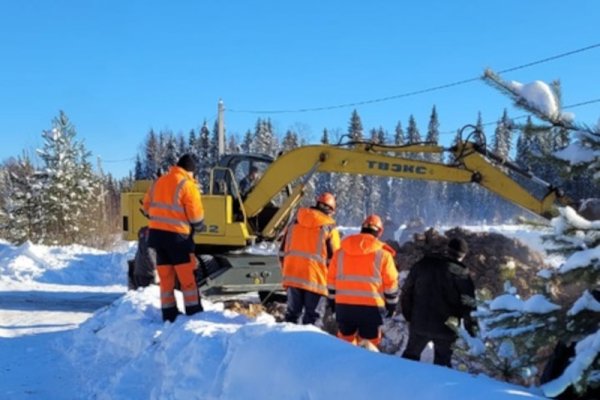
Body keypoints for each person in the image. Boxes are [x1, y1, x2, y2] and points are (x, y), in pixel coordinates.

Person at [143, 154, 205, 323]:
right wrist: (199, 227)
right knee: (187, 278)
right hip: (178, 239)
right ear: (190, 171)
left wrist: (160, 219)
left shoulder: (159, 182)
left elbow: (146, 207)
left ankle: (169, 314)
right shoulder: (187, 185)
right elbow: (196, 217)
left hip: (157, 237)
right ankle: (194, 313)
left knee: (166, 277)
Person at [401, 237, 476, 367]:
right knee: (442, 366)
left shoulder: (423, 264)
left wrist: (409, 316)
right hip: (446, 327)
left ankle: (400, 384)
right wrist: (472, 331)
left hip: (419, 323)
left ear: (447, 250)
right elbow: (468, 305)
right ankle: (435, 386)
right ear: (462, 256)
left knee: (409, 360)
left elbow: (406, 292)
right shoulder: (461, 273)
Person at [327, 214, 399, 348]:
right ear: (380, 232)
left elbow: (330, 281)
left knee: (344, 344)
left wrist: (333, 303)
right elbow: (391, 284)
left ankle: (342, 366)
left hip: (344, 307)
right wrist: (391, 306)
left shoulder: (340, 253)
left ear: (361, 229)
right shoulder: (384, 255)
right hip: (371, 309)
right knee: (369, 348)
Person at [280, 192, 341, 325]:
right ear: (331, 210)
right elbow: (335, 260)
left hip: (292, 276)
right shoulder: (329, 227)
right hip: (316, 280)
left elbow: (281, 251)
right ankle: (308, 346)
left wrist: (286, 272)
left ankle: (287, 344)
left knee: (291, 317)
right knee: (312, 320)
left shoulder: (295, 221)